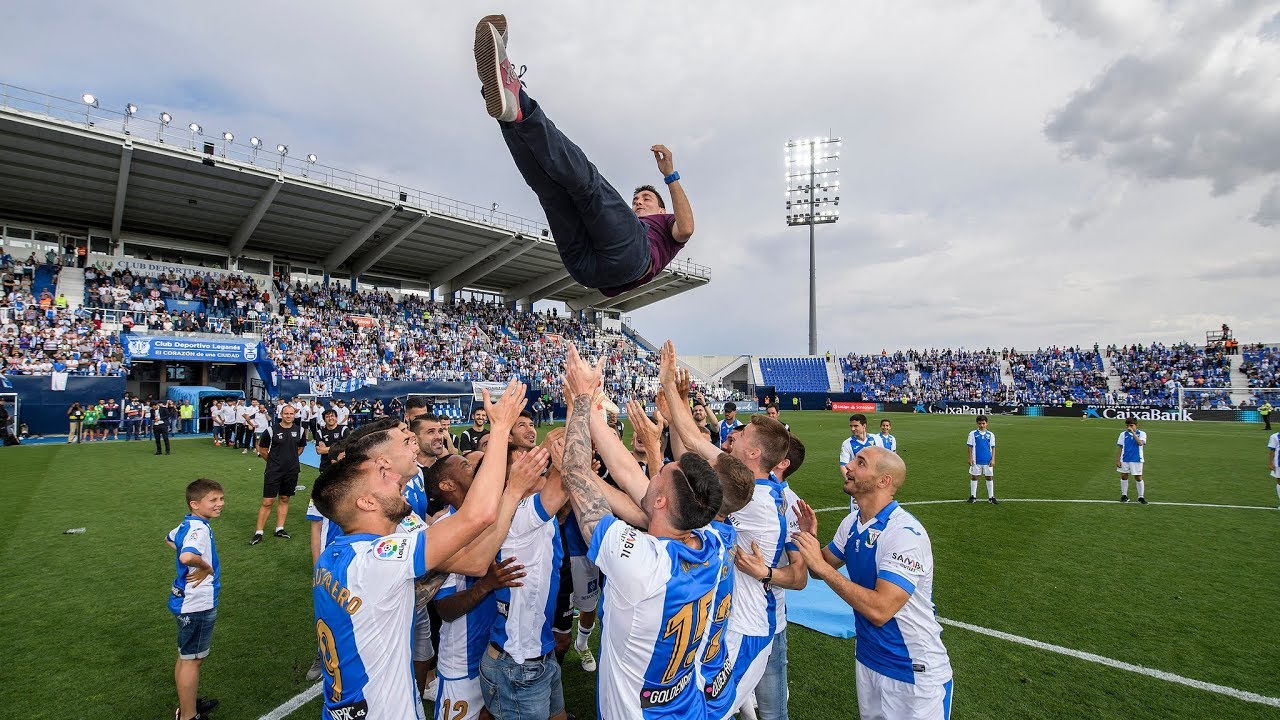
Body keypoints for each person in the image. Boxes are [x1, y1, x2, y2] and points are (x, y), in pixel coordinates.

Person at [309, 381, 531, 719]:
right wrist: (501, 431)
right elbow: (478, 516)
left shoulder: (338, 554)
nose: (397, 481)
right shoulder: (378, 557)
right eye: (405, 438)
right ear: (367, 499)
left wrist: (512, 494)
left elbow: (472, 561)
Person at [559, 345, 728, 720]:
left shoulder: (638, 561)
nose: (654, 469)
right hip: (688, 706)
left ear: (662, 503)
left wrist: (583, 402)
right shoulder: (713, 539)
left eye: (661, 472)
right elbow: (629, 473)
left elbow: (573, 473)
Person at [474, 14, 695, 295]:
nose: (638, 202)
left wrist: (670, 176)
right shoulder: (626, 223)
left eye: (646, 199)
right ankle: (507, 112)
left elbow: (686, 228)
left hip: (628, 259)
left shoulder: (664, 227)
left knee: (588, 184)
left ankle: (518, 100)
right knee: (551, 192)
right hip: (590, 272)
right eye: (636, 199)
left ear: (663, 211)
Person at [790, 447, 954, 720]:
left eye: (860, 462)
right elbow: (821, 569)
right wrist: (810, 540)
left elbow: (881, 610)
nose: (849, 467)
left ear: (883, 481)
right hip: (869, 659)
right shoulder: (852, 523)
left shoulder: (904, 534)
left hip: (912, 669)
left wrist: (820, 566)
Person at [165, 478, 225, 720]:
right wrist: (205, 566)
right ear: (195, 504)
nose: (220, 504)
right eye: (213, 500)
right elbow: (187, 556)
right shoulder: (199, 529)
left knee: (185, 656)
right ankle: (189, 716)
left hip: (183, 600)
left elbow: (169, 539)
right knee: (193, 661)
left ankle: (186, 705)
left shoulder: (188, 524)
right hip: (196, 602)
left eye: (221, 498)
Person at [251, 404, 305, 544]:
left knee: (285, 498)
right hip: (274, 471)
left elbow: (300, 448)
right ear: (281, 414)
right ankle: (259, 532)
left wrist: (290, 460)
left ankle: (279, 528)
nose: (288, 416)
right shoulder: (270, 430)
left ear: (294, 415)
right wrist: (274, 462)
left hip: (292, 471)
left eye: (291, 414)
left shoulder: (300, 430)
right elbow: (262, 450)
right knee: (267, 501)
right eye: (286, 413)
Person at [966, 416, 998, 504]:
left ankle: (991, 497)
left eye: (983, 423)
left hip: (988, 460)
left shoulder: (991, 434)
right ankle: (973, 496)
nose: (982, 425)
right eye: (980, 423)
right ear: (977, 424)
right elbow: (970, 446)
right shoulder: (972, 434)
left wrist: (993, 459)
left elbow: (993, 447)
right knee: (974, 477)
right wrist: (970, 458)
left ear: (987, 423)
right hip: (976, 460)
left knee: (989, 477)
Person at [1116, 417, 1148, 504]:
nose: (1129, 427)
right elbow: (1120, 447)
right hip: (1125, 458)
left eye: (1131, 425)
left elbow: (1140, 443)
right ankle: (1124, 495)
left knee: (1138, 477)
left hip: (1136, 459)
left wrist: (1133, 433)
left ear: (1136, 425)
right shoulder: (1123, 434)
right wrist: (1118, 460)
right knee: (1124, 476)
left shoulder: (1142, 433)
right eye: (1127, 426)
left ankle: (1141, 497)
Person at [315, 409, 349, 473]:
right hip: (325, 466)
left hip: (341, 465)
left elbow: (347, 447)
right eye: (327, 417)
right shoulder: (320, 432)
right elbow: (319, 450)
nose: (330, 418)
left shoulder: (344, 429)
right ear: (324, 420)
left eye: (332, 416)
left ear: (336, 418)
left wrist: (325, 449)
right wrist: (339, 447)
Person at [1268, 429, 1280, 509]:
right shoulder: (1274, 436)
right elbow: (1272, 450)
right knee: (1279, 481)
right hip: (1279, 463)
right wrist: (1271, 462)